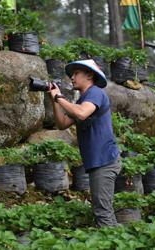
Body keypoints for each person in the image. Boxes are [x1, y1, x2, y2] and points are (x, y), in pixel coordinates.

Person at [49, 59, 121, 227]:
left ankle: (115, 242)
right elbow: (62, 124)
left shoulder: (95, 93)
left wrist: (59, 97)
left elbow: (81, 114)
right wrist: (54, 100)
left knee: (103, 213)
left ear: (89, 75)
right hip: (99, 163)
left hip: (105, 162)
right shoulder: (83, 100)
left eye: (76, 73)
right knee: (102, 210)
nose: (72, 77)